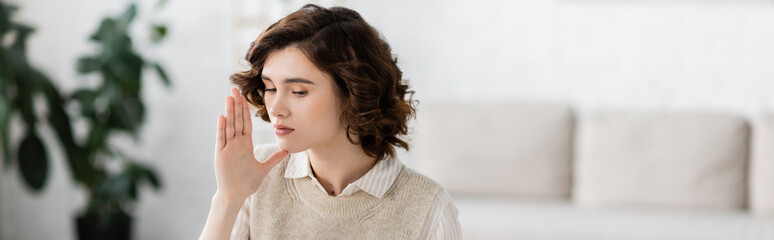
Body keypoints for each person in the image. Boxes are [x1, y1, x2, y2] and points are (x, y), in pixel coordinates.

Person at [199, 4, 461, 240]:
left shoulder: (428, 209)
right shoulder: (256, 176)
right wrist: (228, 198)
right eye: (270, 88)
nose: (276, 108)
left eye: (298, 91)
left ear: (354, 93)